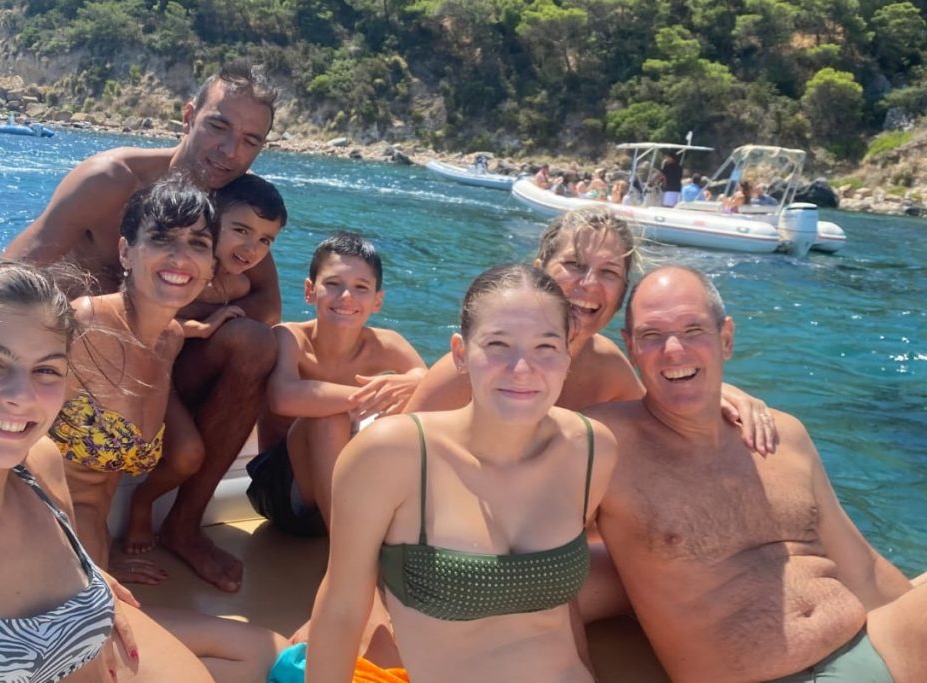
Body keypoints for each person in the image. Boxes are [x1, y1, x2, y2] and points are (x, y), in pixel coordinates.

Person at [0, 259, 284, 683]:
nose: (21, 396)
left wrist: (94, 592)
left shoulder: (40, 464)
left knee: (271, 654)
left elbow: (58, 567)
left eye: (46, 369)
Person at [4, 58, 280, 593]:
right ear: (188, 116)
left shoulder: (233, 204)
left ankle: (183, 525)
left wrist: (184, 317)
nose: (230, 151)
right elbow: (18, 267)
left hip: (160, 358)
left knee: (254, 343)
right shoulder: (113, 180)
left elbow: (268, 301)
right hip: (78, 354)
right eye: (219, 126)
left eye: (250, 140)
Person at [585, 264, 927, 683]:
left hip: (870, 644)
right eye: (652, 336)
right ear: (631, 347)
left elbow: (862, 568)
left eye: (693, 330)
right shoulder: (600, 444)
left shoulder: (785, 434)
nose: (674, 350)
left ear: (725, 337)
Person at [306, 263, 620, 683]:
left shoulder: (591, 449)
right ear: (460, 352)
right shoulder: (391, 455)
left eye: (545, 347)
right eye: (498, 344)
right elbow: (342, 610)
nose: (522, 368)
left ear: (568, 353)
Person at [407, 207, 777, 457]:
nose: (588, 284)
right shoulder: (475, 370)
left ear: (621, 294)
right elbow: (399, 457)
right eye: (573, 265)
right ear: (539, 271)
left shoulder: (610, 371)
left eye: (609, 273)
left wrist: (718, 391)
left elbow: (660, 412)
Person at [51, 177, 217, 580]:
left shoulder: (171, 340)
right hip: (45, 535)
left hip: (92, 540)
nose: (181, 258)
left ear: (212, 266)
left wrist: (105, 556)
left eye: (198, 243)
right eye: (162, 239)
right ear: (126, 251)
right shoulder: (86, 322)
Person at [123, 172, 288, 557]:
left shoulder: (236, 282)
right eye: (242, 231)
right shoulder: (181, 264)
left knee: (266, 343)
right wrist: (197, 324)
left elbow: (269, 310)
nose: (252, 248)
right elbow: (136, 312)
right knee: (185, 456)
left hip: (178, 376)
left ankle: (168, 514)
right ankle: (141, 506)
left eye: (265, 240)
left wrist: (206, 318)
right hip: (148, 369)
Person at [248, 232, 426, 536]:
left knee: (427, 401)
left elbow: (429, 388)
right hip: (285, 492)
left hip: (350, 489)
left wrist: (411, 385)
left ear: (377, 300)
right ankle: (347, 560)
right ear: (309, 291)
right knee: (328, 418)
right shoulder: (290, 337)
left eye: (361, 288)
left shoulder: (387, 344)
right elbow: (282, 397)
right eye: (333, 284)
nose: (346, 297)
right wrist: (374, 395)